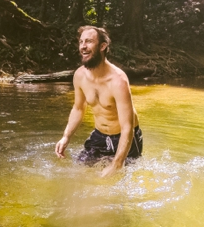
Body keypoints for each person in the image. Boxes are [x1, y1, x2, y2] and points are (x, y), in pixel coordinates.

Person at [55, 25, 143, 177]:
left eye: (89, 41)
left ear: (102, 46)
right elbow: (78, 108)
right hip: (100, 135)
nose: (83, 46)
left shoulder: (118, 81)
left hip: (124, 136)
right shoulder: (80, 76)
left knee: (118, 179)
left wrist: (116, 164)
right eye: (81, 42)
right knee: (78, 172)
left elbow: (127, 127)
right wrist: (66, 136)